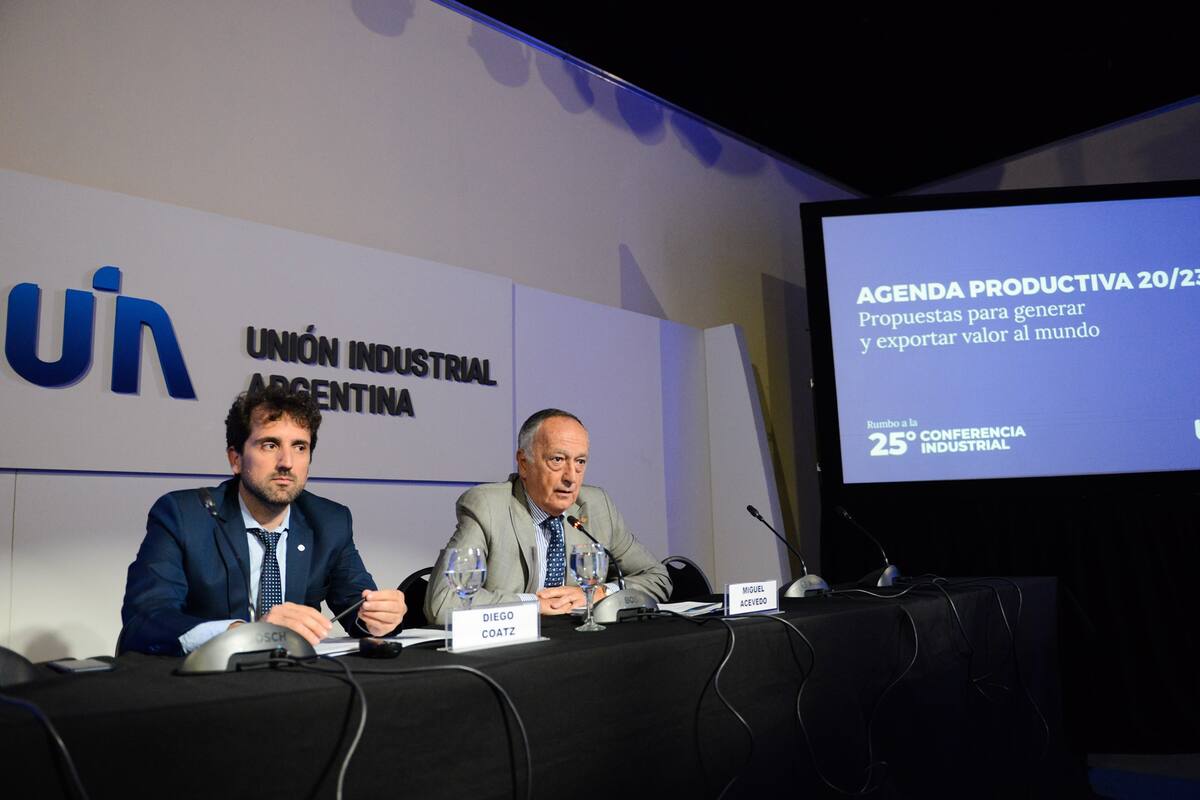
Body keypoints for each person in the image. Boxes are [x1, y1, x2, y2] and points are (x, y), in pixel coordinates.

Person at [119, 385, 406, 655]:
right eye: (270, 445)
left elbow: (357, 606)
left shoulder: (330, 521)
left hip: (302, 683)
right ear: (236, 459)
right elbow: (145, 620)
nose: (287, 462)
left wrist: (378, 619)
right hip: (208, 686)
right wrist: (245, 633)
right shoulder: (184, 515)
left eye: (299, 447)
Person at [425, 408, 671, 624]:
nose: (571, 477)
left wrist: (599, 593)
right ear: (524, 463)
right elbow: (443, 603)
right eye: (557, 459)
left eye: (580, 462)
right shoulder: (487, 507)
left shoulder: (596, 506)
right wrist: (533, 604)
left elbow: (657, 577)